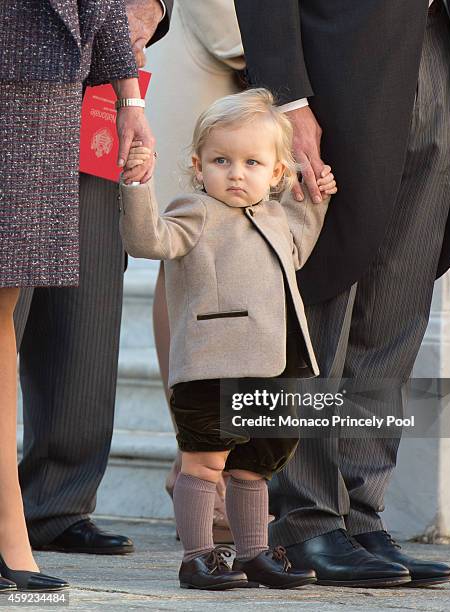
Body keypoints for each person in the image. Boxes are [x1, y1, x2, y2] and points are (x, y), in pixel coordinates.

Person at [234, 0, 450, 588]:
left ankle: (361, 514)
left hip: (435, 48)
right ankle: (307, 520)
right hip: (333, 71)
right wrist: (288, 97)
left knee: (397, 302)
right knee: (322, 291)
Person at [119, 88, 340, 590]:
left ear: (277, 174)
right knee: (205, 461)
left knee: (254, 466)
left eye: (252, 162)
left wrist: (316, 198)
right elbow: (149, 240)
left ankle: (254, 553)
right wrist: (137, 186)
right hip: (213, 362)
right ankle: (198, 556)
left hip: (275, 364)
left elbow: (298, 250)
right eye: (222, 160)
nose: (236, 172)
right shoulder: (194, 212)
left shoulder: (277, 215)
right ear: (198, 167)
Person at [0, 0, 155, 590]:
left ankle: (13, 533)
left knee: (3, 312)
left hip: (48, 93)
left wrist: (128, 97)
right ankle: (11, 535)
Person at [148, 0, 245, 542]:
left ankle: (216, 467)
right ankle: (199, 463)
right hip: (216, 78)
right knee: (191, 263)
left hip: (264, 92)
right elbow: (222, 22)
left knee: (251, 271)